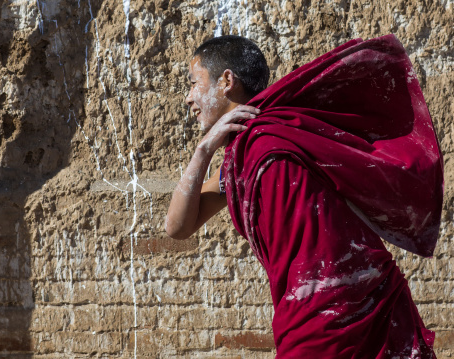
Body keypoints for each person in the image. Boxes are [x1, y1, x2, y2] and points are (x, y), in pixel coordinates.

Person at [166, 35, 442, 358]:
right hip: (346, 304)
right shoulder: (244, 156)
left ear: (227, 81)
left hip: (332, 318)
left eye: (193, 83)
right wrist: (204, 149)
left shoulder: (271, 142)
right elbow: (177, 227)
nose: (188, 97)